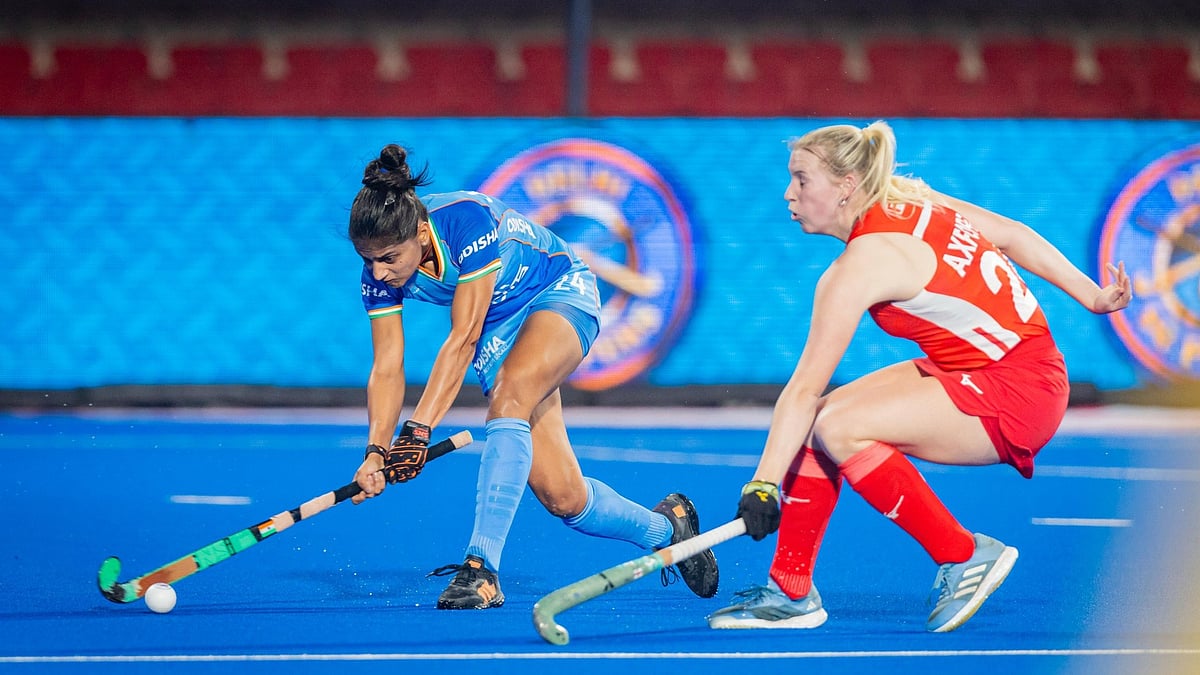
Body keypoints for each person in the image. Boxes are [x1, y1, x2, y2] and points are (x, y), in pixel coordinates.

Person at [710, 121, 1132, 633]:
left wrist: (763, 484)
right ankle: (790, 589)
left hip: (1018, 391)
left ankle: (962, 554)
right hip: (992, 367)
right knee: (826, 419)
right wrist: (1091, 296)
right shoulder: (912, 200)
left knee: (836, 426)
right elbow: (1014, 234)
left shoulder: (858, 267)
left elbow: (801, 389)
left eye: (802, 179)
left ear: (846, 186)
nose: (788, 193)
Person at [345, 143, 719, 610]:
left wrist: (418, 431)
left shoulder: (464, 220)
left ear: (421, 232)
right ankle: (669, 529)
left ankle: (480, 570)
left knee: (509, 397)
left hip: (558, 290)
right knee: (564, 498)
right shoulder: (377, 273)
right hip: (502, 324)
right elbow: (387, 366)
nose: (379, 271)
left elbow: (463, 338)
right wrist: (377, 451)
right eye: (369, 260)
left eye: (389, 258)